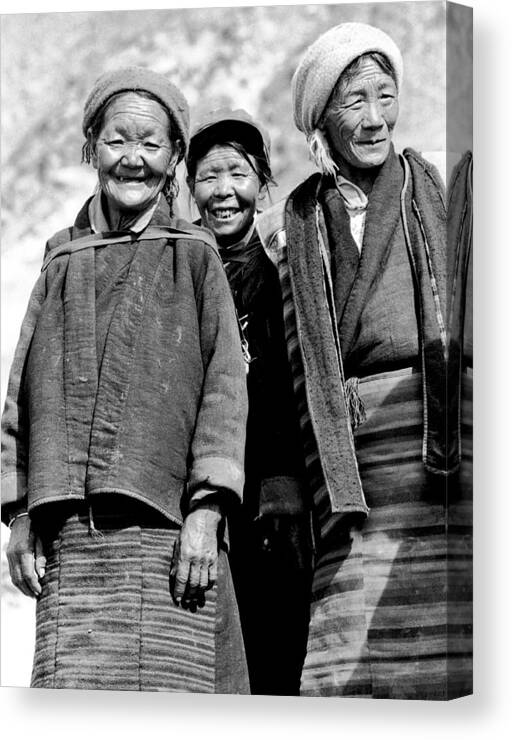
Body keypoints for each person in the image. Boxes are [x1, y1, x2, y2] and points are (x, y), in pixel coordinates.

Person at [1, 67, 250, 694]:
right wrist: (19, 511)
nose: (133, 159)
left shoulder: (194, 255)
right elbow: (21, 391)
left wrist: (207, 510)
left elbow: (224, 387)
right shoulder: (61, 258)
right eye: (117, 141)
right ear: (92, 148)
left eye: (151, 144)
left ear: (173, 159)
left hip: (168, 533)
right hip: (70, 545)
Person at [256, 23, 472, 699]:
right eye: (355, 101)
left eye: (385, 95)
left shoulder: (435, 192)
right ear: (321, 118)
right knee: (347, 639)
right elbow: (278, 361)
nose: (376, 118)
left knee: (452, 633)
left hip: (436, 444)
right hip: (347, 462)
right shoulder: (295, 222)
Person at [185, 108, 313, 695]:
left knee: (277, 647)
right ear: (190, 191)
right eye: (208, 177)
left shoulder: (283, 260)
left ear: (262, 182)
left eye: (237, 173)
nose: (224, 192)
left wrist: (285, 478)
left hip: (273, 491)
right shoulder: (183, 265)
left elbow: (293, 377)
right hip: (205, 493)